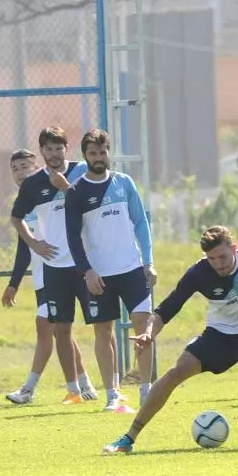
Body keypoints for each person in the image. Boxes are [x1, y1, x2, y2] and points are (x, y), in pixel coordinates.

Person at [103, 226, 238, 453]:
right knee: (176, 372)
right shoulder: (199, 273)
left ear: (234, 248)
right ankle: (128, 438)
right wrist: (148, 333)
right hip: (219, 334)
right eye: (212, 259)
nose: (219, 263)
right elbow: (167, 308)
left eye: (223, 256)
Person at [65, 129, 157, 412]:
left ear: (109, 153)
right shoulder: (76, 191)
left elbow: (141, 223)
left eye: (102, 152)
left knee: (143, 324)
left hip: (131, 269)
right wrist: (87, 271)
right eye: (92, 153)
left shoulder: (124, 183)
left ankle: (146, 389)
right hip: (98, 274)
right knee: (103, 332)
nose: (98, 158)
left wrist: (148, 261)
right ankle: (112, 394)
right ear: (85, 156)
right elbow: (72, 236)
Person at [10, 127, 98, 405]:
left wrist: (66, 188)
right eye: (15, 168)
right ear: (43, 153)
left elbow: (91, 203)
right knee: (58, 329)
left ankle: (101, 389)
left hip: (84, 265)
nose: (20, 171)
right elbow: (20, 233)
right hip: (49, 274)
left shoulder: (80, 171)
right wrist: (33, 247)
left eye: (58, 148)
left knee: (94, 327)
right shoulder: (32, 189)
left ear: (66, 149)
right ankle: (76, 387)